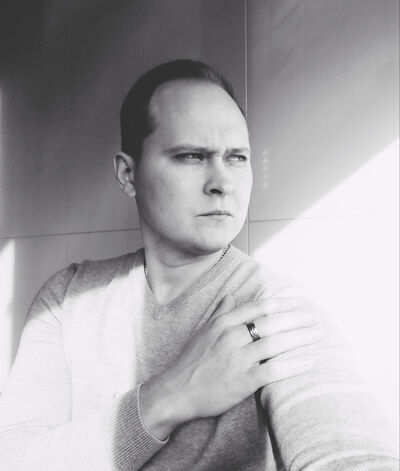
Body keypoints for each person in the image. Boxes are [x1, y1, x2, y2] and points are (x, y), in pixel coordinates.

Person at [0, 59, 397, 471]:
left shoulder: (274, 308)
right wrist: (171, 395)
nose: (222, 183)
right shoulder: (67, 298)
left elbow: (351, 452)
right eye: (192, 156)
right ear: (128, 174)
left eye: (237, 157)